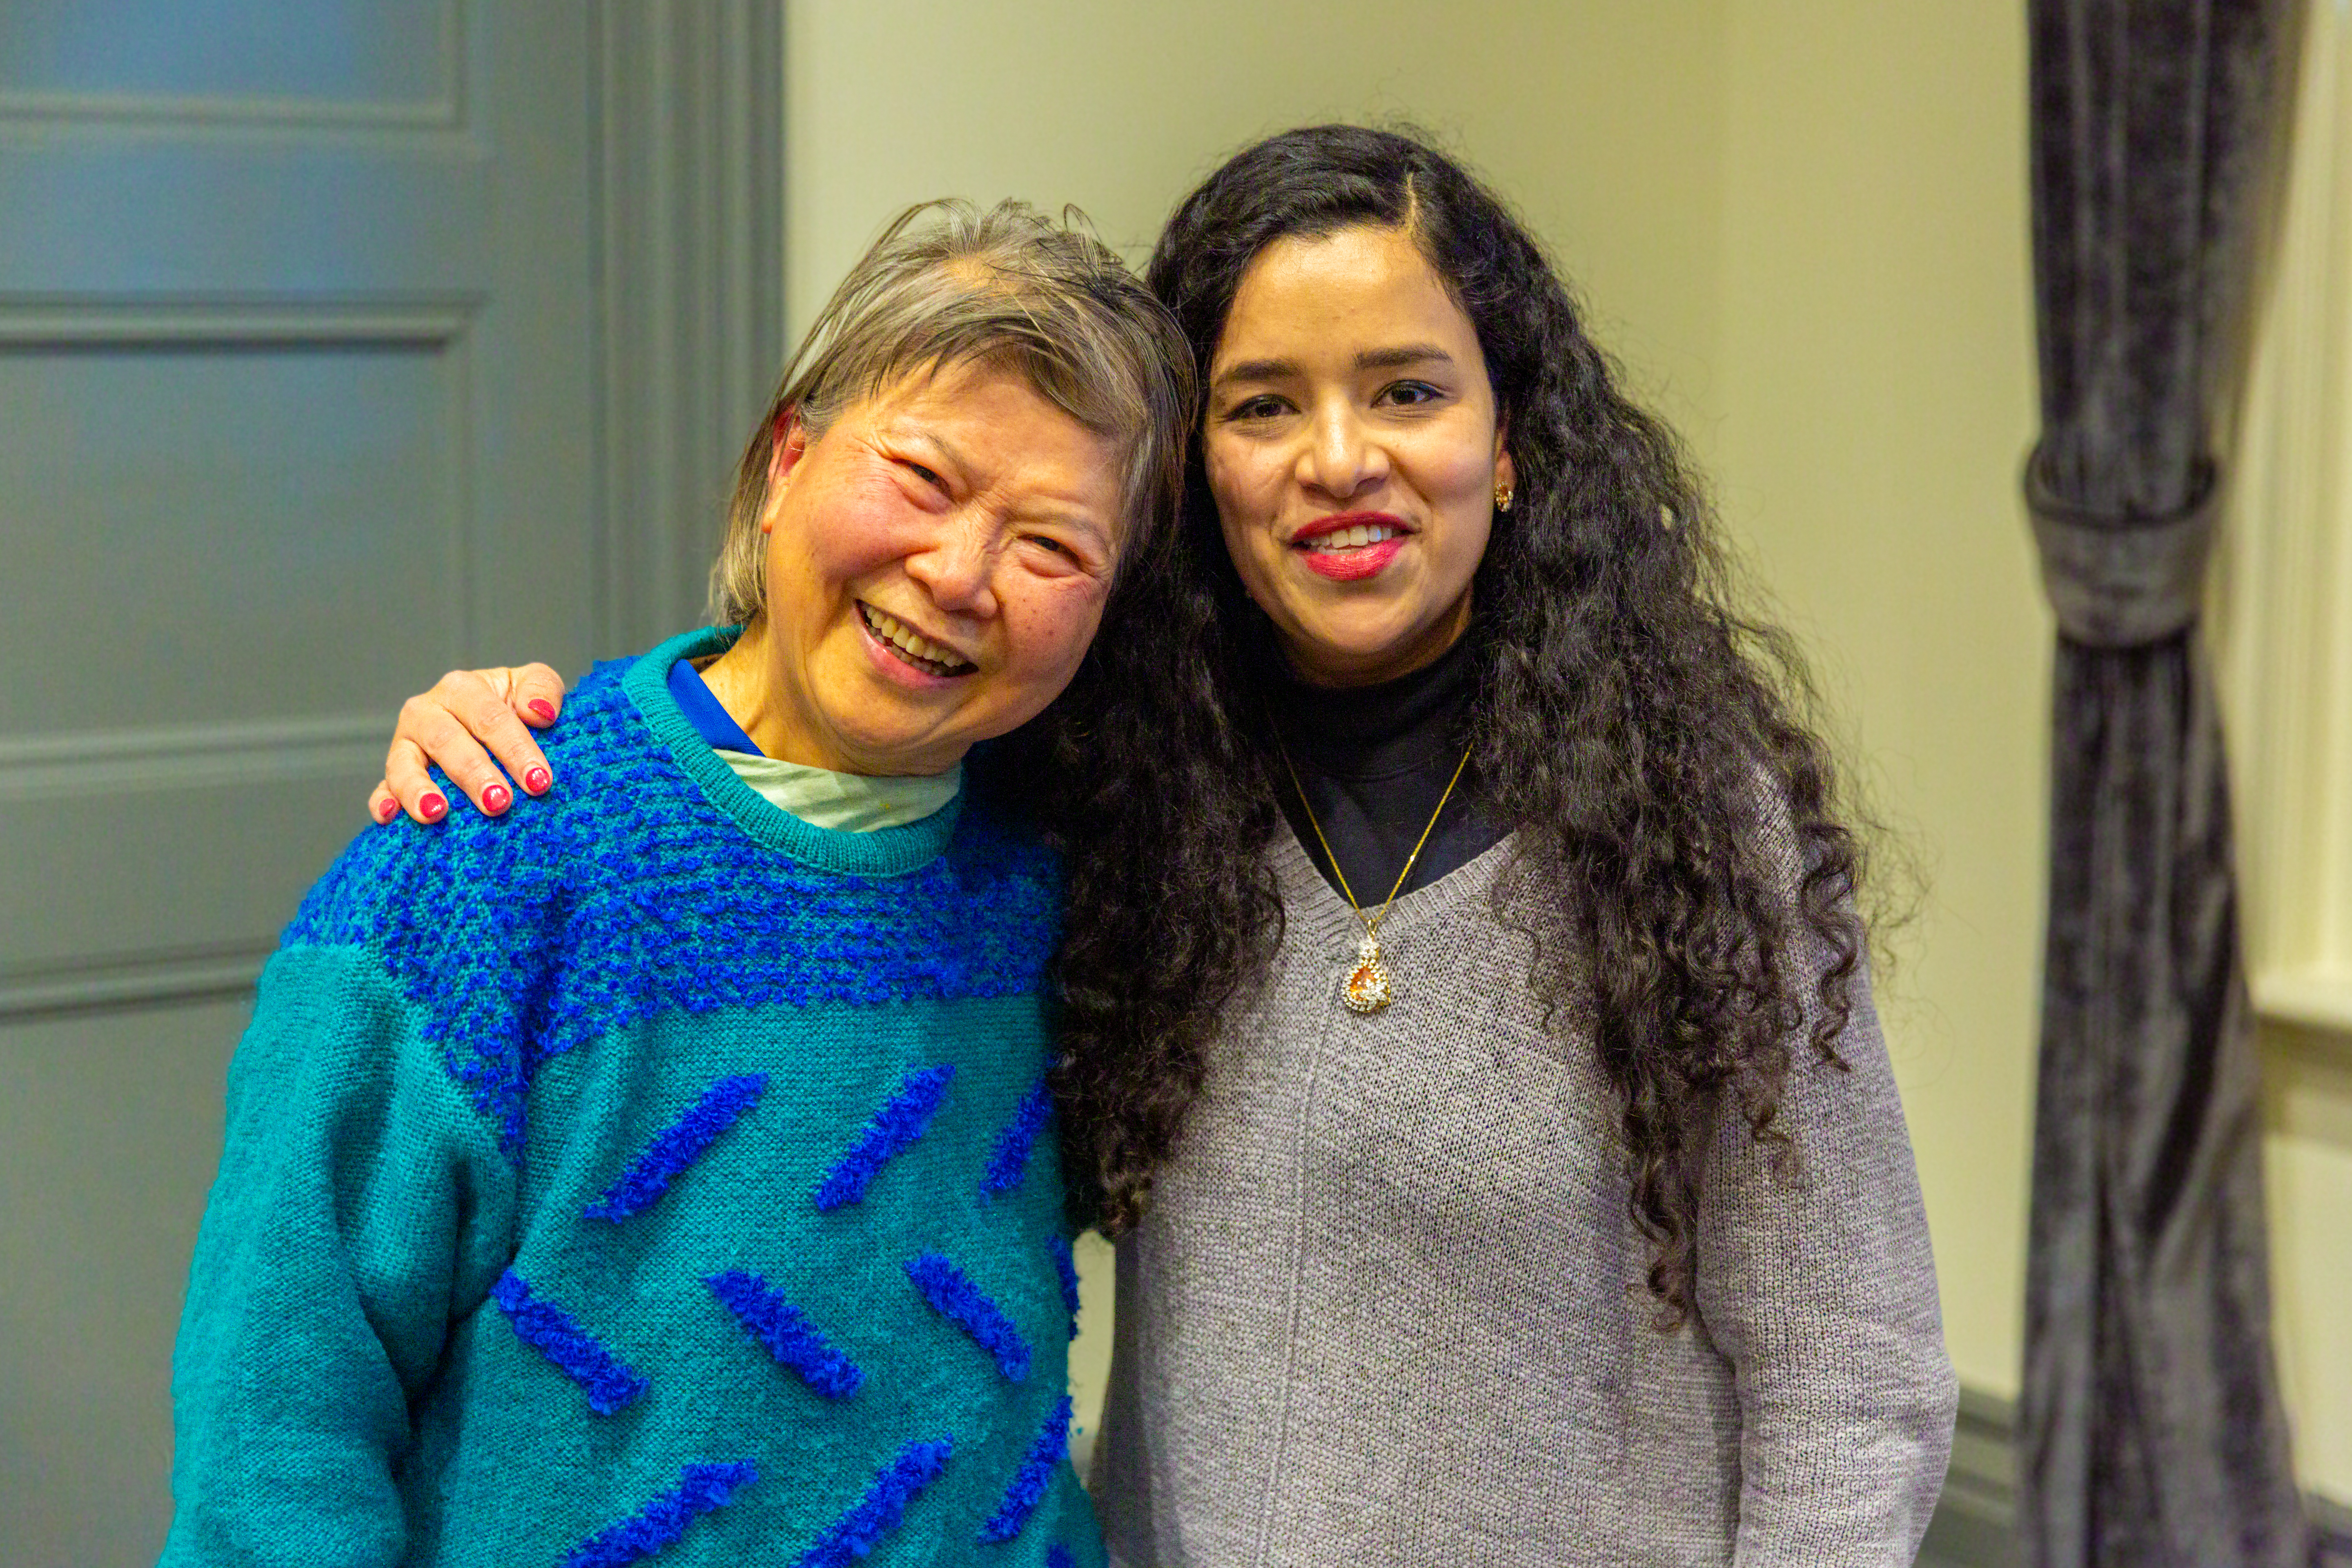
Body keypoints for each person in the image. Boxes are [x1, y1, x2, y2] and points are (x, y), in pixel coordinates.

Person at [367, 126, 1959, 1566]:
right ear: (1189, 474)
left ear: (1514, 439)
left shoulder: (1687, 822)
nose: (1341, 458)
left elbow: (1852, 1379)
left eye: (1408, 389)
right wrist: (547, 741)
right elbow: (823, 746)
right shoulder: (1099, 808)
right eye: (1266, 404)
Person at [162, 200, 1193, 1568]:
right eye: (925, 480)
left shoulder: (1068, 878)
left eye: (1051, 546)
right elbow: (272, 1432)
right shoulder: (485, 850)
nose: (958, 575)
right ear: (787, 461)